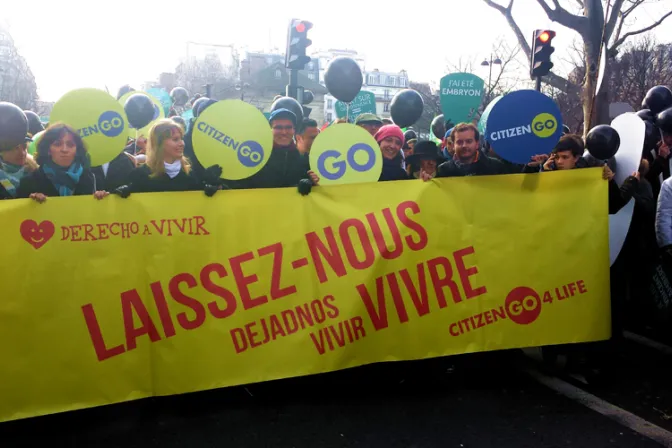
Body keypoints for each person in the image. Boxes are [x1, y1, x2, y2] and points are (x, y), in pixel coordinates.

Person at [114, 119, 222, 196]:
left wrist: (212, 187)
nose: (182, 144)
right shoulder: (140, 175)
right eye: (175, 139)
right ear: (159, 144)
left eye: (181, 138)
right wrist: (114, 195)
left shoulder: (193, 173)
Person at [17, 123, 107, 202]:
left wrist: (101, 199)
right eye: (57, 144)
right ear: (48, 149)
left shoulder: (92, 179)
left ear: (77, 150)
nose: (64, 149)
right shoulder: (29, 182)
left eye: (70, 145)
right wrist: (30, 203)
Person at [240, 109, 312, 189]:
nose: (284, 132)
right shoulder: (255, 156)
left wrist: (311, 184)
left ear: (293, 130)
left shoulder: (304, 159)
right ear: (270, 129)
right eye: (278, 127)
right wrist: (224, 181)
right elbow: (239, 184)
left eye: (288, 127)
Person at [421, 123, 505, 179]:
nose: (464, 145)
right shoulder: (442, 171)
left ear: (477, 144)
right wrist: (428, 182)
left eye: (469, 141)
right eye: (459, 142)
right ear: (453, 145)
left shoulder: (497, 167)